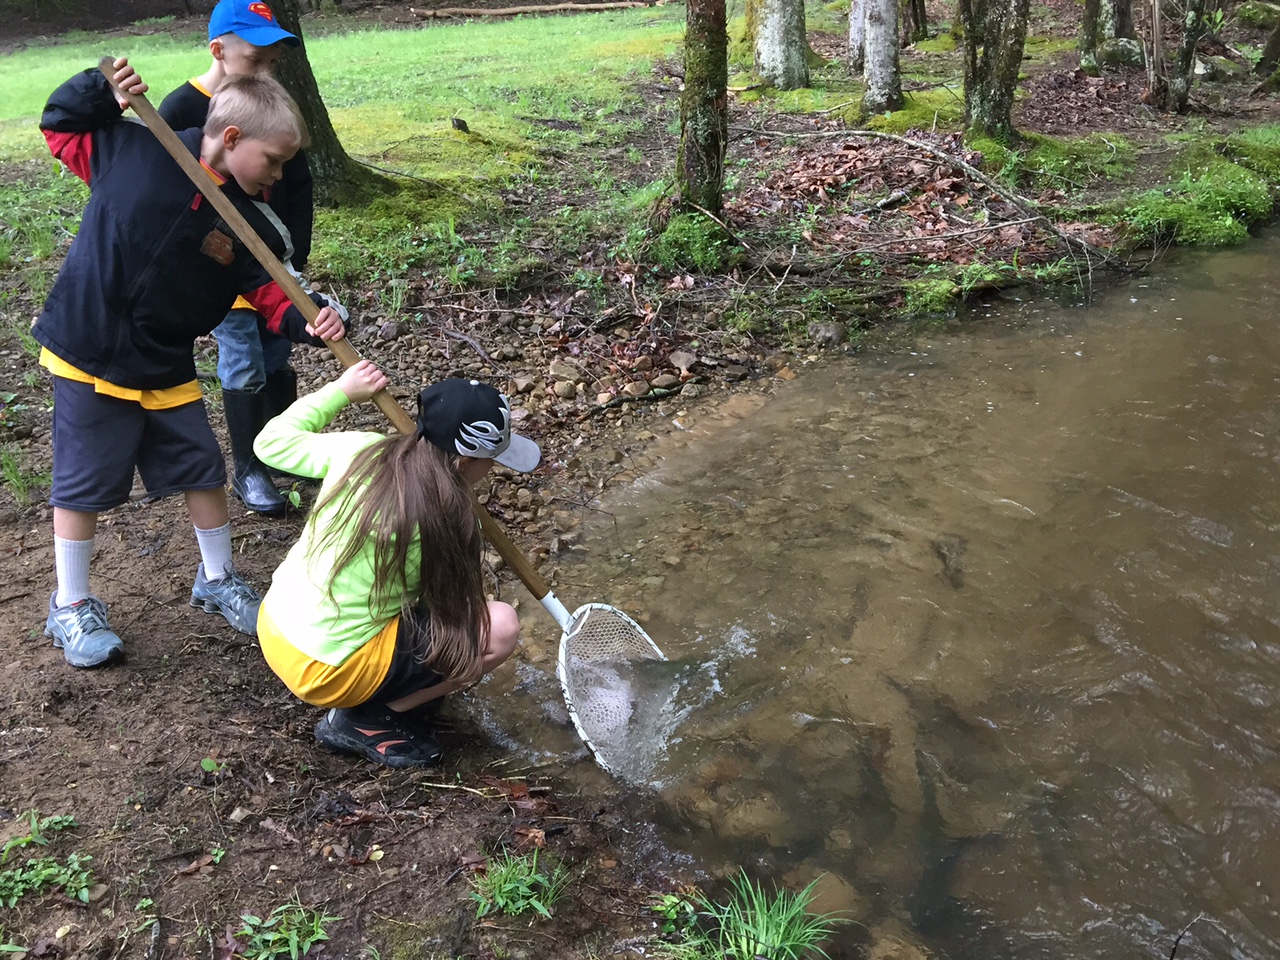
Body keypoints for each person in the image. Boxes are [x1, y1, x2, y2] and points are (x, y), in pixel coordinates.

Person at [35, 59, 348, 668]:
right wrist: (103, 91)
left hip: (164, 359)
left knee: (202, 469)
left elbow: (269, 290)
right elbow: (62, 126)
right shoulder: (138, 151)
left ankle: (218, 578)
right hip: (89, 346)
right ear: (231, 138)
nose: (279, 176)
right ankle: (70, 603)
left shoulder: (248, 220)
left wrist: (311, 320)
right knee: (84, 480)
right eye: (274, 161)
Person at [254, 363, 541, 768]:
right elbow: (452, 613)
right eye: (490, 459)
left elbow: (271, 442)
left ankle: (380, 692)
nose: (492, 469)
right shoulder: (446, 520)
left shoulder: (362, 450)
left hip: (276, 623)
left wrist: (340, 390)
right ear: (462, 462)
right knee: (500, 628)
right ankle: (368, 718)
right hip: (322, 669)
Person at [158, 0, 328, 516]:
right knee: (243, 359)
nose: (265, 71)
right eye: (255, 59)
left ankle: (281, 449)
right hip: (222, 267)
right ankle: (249, 470)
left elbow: (297, 186)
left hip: (272, 267)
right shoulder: (182, 110)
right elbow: (166, 194)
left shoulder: (272, 108)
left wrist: (292, 252)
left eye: (272, 62)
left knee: (277, 354)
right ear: (219, 50)